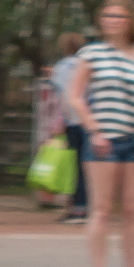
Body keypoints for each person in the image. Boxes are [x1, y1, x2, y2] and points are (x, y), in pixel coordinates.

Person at [67, 0, 134, 267]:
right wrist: (93, 129)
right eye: (108, 15)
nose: (113, 20)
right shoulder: (91, 53)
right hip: (103, 139)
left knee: (133, 209)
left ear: (131, 21)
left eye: (119, 16)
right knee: (101, 208)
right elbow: (75, 96)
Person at [52, 31, 90, 222]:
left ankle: (78, 207)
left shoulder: (61, 67)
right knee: (87, 165)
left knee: (75, 166)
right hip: (90, 119)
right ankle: (85, 205)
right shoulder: (87, 64)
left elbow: (62, 96)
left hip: (73, 121)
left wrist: (60, 120)